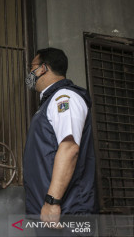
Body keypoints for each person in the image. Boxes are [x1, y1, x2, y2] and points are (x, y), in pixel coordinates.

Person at [23, 48, 98, 236]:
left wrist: (52, 202)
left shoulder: (64, 98)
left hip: (67, 214)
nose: (29, 74)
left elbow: (69, 148)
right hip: (51, 217)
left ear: (43, 69)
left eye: (31, 68)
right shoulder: (49, 103)